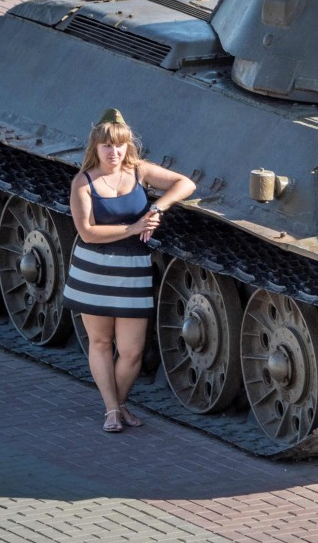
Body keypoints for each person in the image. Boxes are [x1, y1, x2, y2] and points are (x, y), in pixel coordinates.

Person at [62, 108, 196, 433]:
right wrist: (134, 228)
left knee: (132, 351)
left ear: (128, 146)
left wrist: (157, 207)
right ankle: (112, 410)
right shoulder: (83, 182)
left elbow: (185, 183)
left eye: (120, 145)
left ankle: (118, 405)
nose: (114, 152)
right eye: (107, 146)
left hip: (133, 269)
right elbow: (87, 233)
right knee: (100, 342)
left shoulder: (139, 171)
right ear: (96, 147)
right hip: (93, 270)